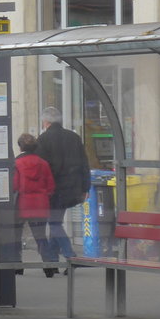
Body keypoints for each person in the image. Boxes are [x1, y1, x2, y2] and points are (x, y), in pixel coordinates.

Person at [36, 106, 91, 276]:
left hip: (53, 190)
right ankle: (52, 260)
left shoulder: (43, 139)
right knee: (56, 222)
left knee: (54, 223)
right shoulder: (74, 137)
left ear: (46, 122)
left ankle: (70, 256)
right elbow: (84, 163)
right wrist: (85, 187)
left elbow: (41, 168)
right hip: (72, 189)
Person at [12, 132, 55, 275]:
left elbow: (15, 185)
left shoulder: (17, 163)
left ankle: (18, 265)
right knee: (41, 236)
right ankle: (48, 266)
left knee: (16, 236)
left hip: (22, 205)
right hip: (40, 204)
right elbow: (51, 186)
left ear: (20, 147)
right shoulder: (44, 163)